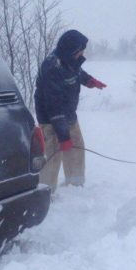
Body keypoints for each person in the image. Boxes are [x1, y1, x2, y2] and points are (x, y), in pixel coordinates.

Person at [34, 29, 107, 192]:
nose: (82, 53)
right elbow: (53, 106)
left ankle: (75, 186)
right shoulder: (52, 67)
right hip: (50, 117)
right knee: (53, 152)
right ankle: (46, 191)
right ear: (70, 50)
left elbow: (77, 72)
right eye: (80, 50)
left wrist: (90, 81)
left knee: (76, 147)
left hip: (68, 113)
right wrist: (63, 136)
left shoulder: (69, 60)